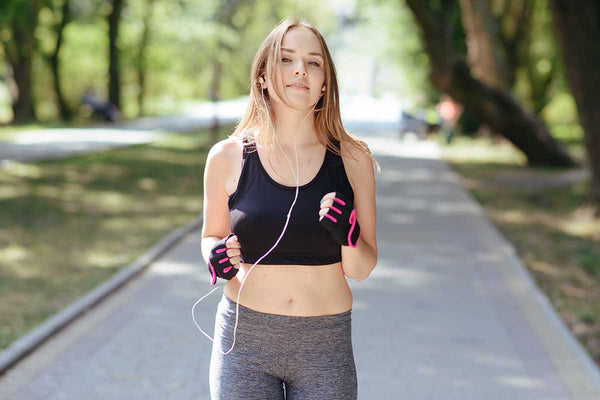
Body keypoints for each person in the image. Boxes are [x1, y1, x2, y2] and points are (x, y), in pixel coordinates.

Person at [200, 17, 378, 400]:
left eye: (314, 62)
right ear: (262, 75)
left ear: (325, 81)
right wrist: (214, 255)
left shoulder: (352, 158)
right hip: (244, 343)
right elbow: (211, 235)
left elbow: (361, 268)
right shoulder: (228, 157)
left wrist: (347, 234)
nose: (301, 69)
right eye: (286, 59)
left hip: (324, 346)